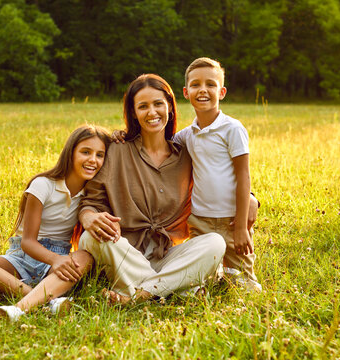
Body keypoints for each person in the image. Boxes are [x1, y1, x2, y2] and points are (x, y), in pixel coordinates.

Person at [78, 74, 230, 304]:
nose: (152, 112)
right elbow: (92, 200)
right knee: (91, 238)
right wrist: (87, 216)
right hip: (124, 251)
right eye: (143, 106)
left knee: (215, 243)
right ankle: (175, 289)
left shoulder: (185, 154)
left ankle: (140, 295)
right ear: (133, 113)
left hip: (166, 254)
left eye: (158, 104)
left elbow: (218, 178)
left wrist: (249, 196)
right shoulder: (117, 150)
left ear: (169, 105)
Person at [112, 58, 261, 292]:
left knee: (243, 284)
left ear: (222, 92)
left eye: (211, 85)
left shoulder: (232, 129)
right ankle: (169, 287)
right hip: (200, 220)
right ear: (185, 92)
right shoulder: (185, 137)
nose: (203, 90)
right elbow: (156, 142)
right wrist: (122, 135)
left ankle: (150, 290)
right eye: (196, 85)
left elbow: (244, 176)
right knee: (204, 278)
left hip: (232, 219)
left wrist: (244, 220)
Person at [0, 125, 111, 321]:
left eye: (100, 155)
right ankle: (42, 301)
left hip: (56, 264)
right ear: (70, 153)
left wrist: (57, 260)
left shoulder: (91, 195)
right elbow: (27, 242)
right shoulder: (43, 185)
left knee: (85, 258)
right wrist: (54, 259)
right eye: (86, 152)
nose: (93, 160)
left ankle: (18, 306)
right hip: (21, 258)